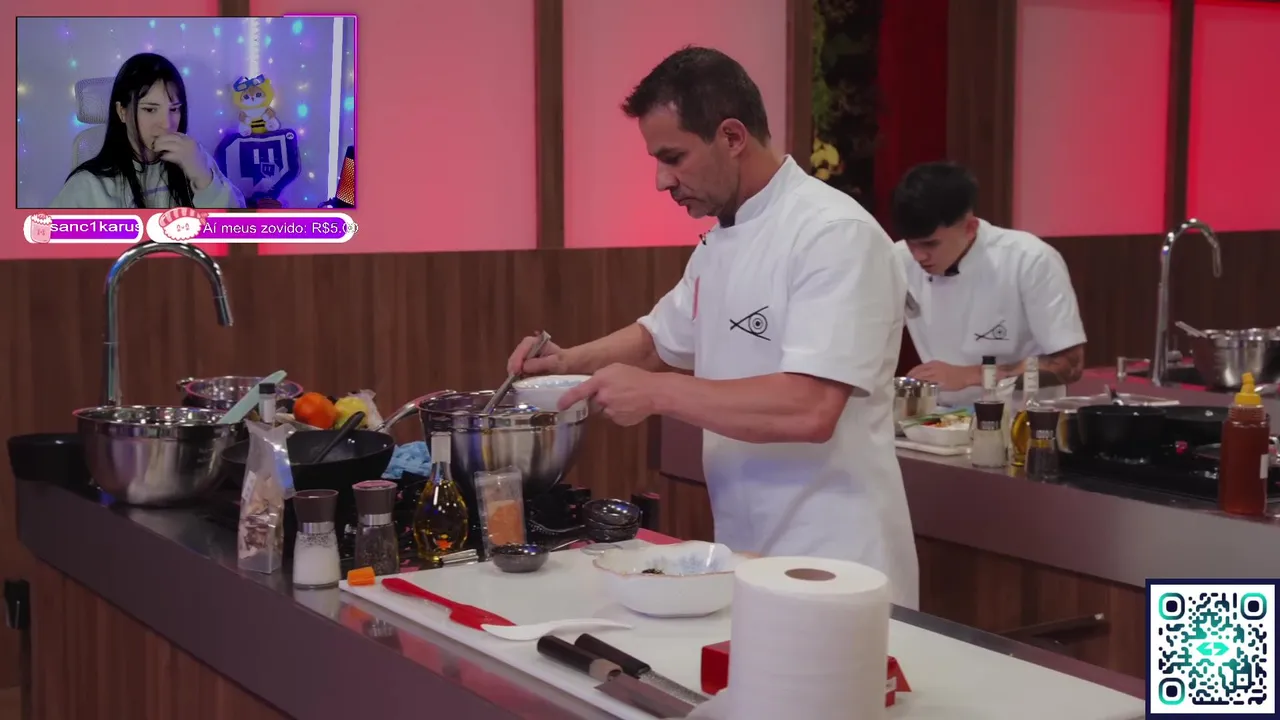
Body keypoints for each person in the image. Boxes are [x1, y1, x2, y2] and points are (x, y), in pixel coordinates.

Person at [506, 46, 919, 609]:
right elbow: (658, 339)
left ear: (731, 136)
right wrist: (566, 362)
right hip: (745, 551)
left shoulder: (833, 233)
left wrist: (657, 394)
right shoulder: (721, 239)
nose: (661, 181)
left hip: (838, 559)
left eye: (673, 157)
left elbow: (811, 407)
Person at [891, 161, 1086, 406]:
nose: (919, 256)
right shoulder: (898, 259)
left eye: (930, 244)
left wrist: (973, 375)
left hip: (1023, 417)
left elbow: (1069, 365)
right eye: (911, 243)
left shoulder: (1030, 259)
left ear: (970, 228)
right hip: (941, 418)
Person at [49, 52, 245, 209]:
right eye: (150, 109)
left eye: (174, 109)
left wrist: (202, 177)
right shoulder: (88, 184)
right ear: (122, 111)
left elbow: (237, 231)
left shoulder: (196, 158)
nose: (166, 124)